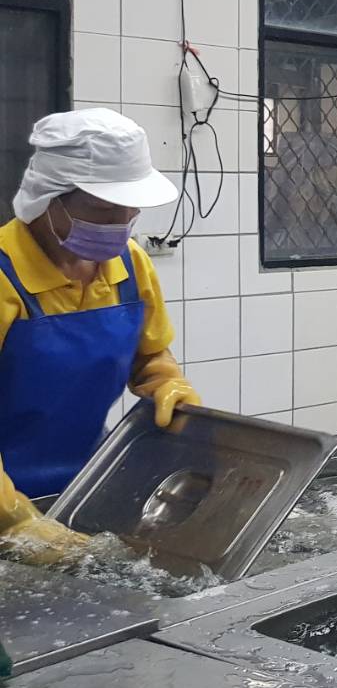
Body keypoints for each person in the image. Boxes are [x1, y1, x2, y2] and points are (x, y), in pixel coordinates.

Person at [0, 109, 194, 565]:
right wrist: (16, 523)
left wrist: (167, 382)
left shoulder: (129, 264)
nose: (122, 222)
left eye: (131, 209)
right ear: (50, 198)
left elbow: (149, 356)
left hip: (82, 487)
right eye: (105, 210)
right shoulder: (5, 275)